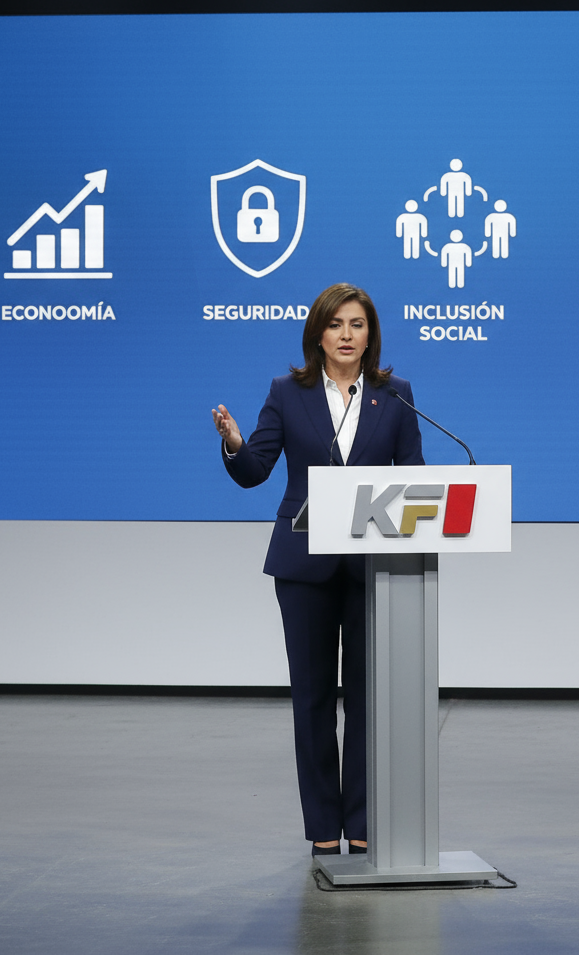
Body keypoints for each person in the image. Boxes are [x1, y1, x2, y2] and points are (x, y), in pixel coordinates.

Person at [211, 283, 424, 858]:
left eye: (357, 324)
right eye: (336, 325)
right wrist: (234, 444)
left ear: (371, 335)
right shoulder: (288, 392)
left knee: (367, 701)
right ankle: (324, 827)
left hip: (373, 564)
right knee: (312, 700)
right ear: (318, 335)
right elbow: (255, 470)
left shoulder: (396, 395)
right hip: (304, 564)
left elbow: (414, 475)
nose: (346, 335)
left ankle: (363, 822)